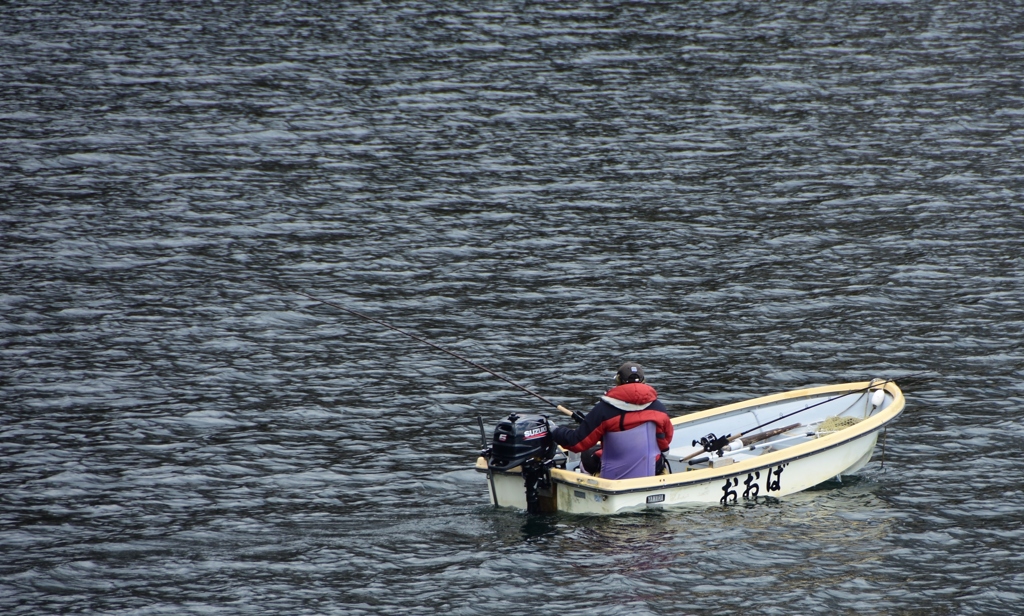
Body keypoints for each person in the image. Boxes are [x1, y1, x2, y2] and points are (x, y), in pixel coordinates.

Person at [551, 362, 673, 480]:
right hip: (651, 470)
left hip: (613, 474)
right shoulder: (659, 408)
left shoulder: (604, 410)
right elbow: (666, 439)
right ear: (643, 381)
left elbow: (577, 443)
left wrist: (555, 431)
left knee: (587, 453)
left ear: (618, 381)